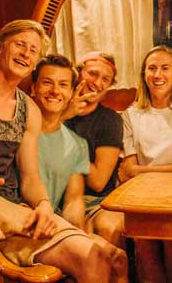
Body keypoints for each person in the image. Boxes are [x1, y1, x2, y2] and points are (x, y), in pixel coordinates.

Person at [0, 19, 127, 283]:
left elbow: (30, 179)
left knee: (95, 256)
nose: (26, 53)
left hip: (5, 205)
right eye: (20, 44)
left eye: (33, 50)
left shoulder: (28, 110)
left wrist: (43, 205)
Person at [119, 45, 172, 283]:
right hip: (144, 195)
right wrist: (137, 173)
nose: (158, 75)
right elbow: (128, 169)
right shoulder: (130, 115)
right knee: (143, 238)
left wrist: (141, 171)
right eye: (152, 68)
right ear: (144, 74)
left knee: (171, 234)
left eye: (165, 68)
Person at [62, 51, 125, 247]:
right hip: (55, 195)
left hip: (97, 200)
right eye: (93, 74)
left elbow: (98, 181)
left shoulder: (109, 120)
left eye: (105, 79)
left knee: (110, 228)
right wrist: (64, 116)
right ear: (78, 73)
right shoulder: (54, 107)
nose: (97, 83)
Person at [32, 54, 90, 229]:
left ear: (71, 93)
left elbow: (73, 200)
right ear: (33, 88)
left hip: (51, 225)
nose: (55, 91)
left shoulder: (78, 145)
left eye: (63, 85)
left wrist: (77, 233)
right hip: (18, 220)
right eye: (47, 82)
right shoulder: (15, 131)